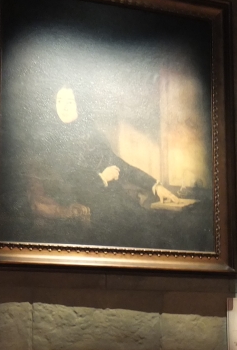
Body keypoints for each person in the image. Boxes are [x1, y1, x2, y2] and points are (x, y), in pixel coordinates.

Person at [22, 86, 186, 245]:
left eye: (70, 102)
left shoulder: (93, 136)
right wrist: (102, 178)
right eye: (59, 101)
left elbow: (120, 165)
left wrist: (154, 186)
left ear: (80, 104)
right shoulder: (48, 140)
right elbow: (65, 180)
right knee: (134, 225)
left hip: (108, 201)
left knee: (158, 222)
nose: (64, 107)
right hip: (80, 205)